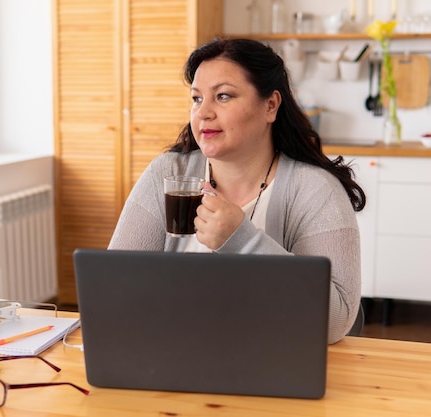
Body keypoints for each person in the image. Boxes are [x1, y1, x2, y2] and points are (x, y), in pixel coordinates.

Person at [108, 38, 365, 343]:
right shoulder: (168, 172)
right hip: (174, 355)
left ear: (270, 105)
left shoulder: (314, 190)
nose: (203, 113)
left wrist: (242, 241)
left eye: (224, 96)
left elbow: (335, 322)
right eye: (196, 99)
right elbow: (113, 287)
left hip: (273, 361)